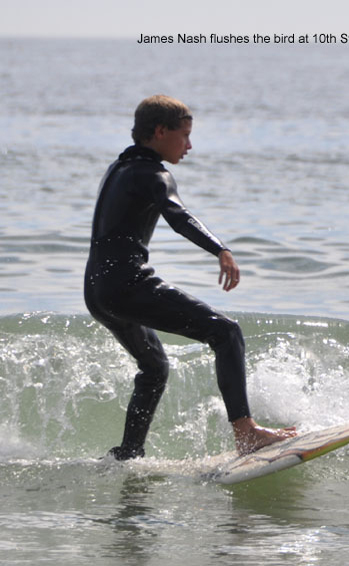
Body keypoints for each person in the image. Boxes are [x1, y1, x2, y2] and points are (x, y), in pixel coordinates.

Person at [84, 94, 296, 460]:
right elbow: (179, 216)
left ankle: (129, 454)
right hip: (127, 285)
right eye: (184, 136)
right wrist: (221, 249)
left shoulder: (118, 169)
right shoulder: (154, 174)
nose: (190, 145)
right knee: (226, 332)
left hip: (98, 290)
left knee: (154, 368)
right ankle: (247, 434)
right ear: (160, 131)